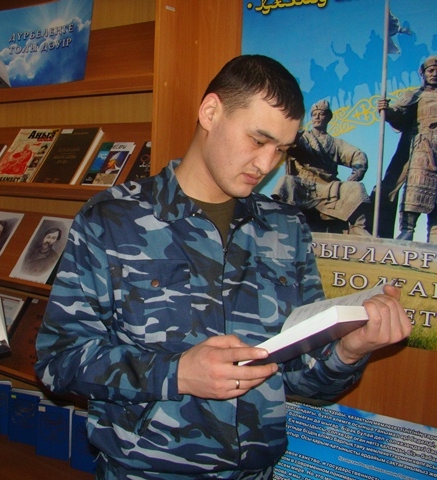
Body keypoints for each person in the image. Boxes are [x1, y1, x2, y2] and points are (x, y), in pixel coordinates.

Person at [34, 55, 411, 479]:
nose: (266, 164)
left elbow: (299, 380)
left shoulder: (286, 228)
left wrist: (350, 350)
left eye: (281, 150)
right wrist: (177, 374)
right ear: (211, 112)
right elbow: (58, 363)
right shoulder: (111, 219)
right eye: (258, 140)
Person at [272, 99, 371, 236]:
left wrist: (357, 172)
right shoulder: (302, 138)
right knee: (287, 182)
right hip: (305, 185)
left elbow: (358, 155)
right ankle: (283, 225)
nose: (317, 117)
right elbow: (290, 145)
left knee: (357, 188)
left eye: (321, 114)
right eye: (314, 114)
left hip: (329, 186)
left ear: (328, 117)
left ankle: (358, 229)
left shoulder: (336, 143)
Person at [374, 55, 437, 242]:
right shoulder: (415, 95)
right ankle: (408, 229)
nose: (435, 74)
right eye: (431, 70)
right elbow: (399, 113)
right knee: (416, 186)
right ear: (423, 74)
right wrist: (387, 111)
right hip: (422, 146)